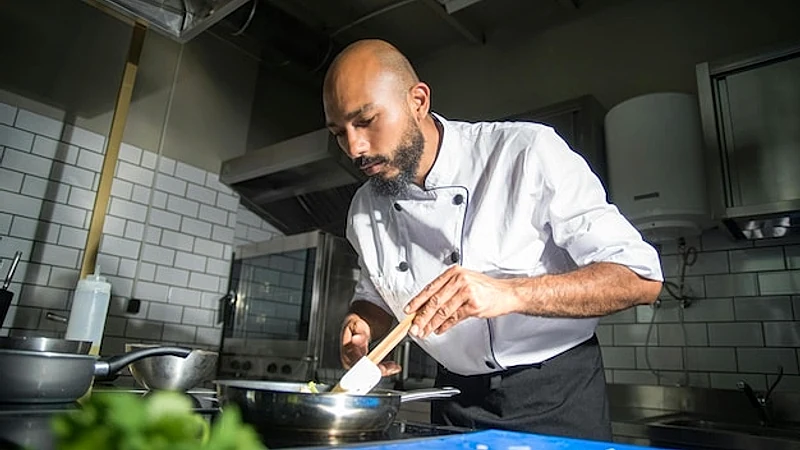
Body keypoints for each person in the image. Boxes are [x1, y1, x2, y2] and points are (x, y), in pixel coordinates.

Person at [322, 38, 663, 442]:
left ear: (418, 100)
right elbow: (374, 295)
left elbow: (641, 278)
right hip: (451, 399)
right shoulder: (364, 207)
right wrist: (361, 323)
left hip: (554, 397)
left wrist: (509, 294)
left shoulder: (525, 152)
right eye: (339, 133)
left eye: (366, 121)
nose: (355, 148)